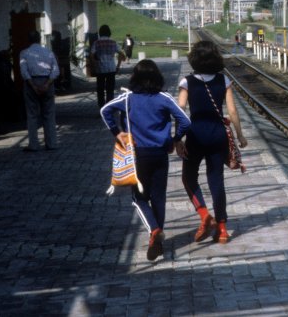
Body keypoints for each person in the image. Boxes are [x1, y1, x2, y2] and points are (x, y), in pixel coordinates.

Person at [101, 60, 191, 261]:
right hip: (160, 154)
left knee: (139, 198)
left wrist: (117, 133)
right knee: (159, 197)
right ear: (158, 77)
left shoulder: (128, 99)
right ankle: (157, 239)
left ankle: (154, 230)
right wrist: (176, 139)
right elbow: (185, 121)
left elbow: (105, 110)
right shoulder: (164, 98)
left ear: (135, 78)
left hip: (138, 155)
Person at [177, 40, 248, 244]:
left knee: (188, 177)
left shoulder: (187, 82)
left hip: (195, 134)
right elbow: (232, 111)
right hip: (217, 134)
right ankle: (223, 229)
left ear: (194, 58)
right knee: (216, 180)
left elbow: (180, 109)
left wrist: (178, 138)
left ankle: (204, 215)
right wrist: (240, 135)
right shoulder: (223, 80)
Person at [18, 30, 60, 152]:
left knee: (32, 115)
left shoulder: (24, 53)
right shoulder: (48, 52)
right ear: (40, 39)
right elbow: (55, 70)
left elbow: (24, 72)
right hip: (48, 81)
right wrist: (47, 84)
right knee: (49, 114)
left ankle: (34, 145)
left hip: (31, 84)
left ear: (28, 40)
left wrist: (34, 86)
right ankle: (51, 143)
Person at [90, 25, 119, 107]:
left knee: (100, 89)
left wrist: (94, 64)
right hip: (111, 68)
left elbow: (91, 55)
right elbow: (121, 53)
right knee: (110, 89)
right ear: (109, 32)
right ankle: (109, 106)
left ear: (100, 32)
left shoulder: (96, 42)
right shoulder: (113, 42)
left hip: (100, 68)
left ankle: (101, 107)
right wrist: (118, 65)